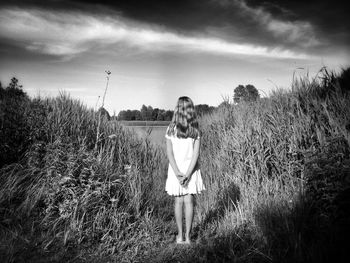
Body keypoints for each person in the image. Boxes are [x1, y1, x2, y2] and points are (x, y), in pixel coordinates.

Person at [165, 96, 205, 244]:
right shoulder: (195, 130)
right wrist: (187, 175)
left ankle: (180, 236)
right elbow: (196, 155)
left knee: (178, 202)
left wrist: (178, 174)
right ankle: (188, 238)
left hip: (177, 171)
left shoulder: (171, 129)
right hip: (191, 170)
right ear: (190, 110)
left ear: (177, 109)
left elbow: (169, 153)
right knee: (189, 202)